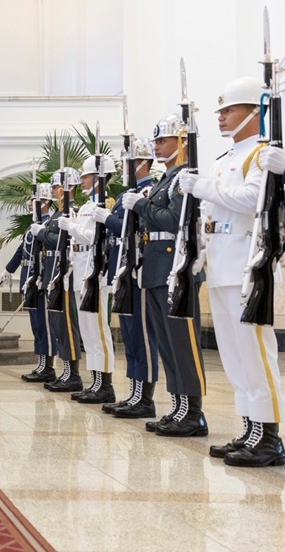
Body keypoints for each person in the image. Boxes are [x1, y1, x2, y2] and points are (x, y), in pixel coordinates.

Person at [179, 76, 283, 466]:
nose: (221, 117)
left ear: (255, 112)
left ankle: (269, 436)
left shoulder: (262, 154)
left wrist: (201, 187)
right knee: (234, 355)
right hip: (221, 264)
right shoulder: (224, 160)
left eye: (229, 109)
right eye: (220, 111)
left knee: (256, 352)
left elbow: (250, 200)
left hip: (247, 264)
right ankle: (249, 428)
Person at [123, 115, 206, 433]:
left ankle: (193, 413)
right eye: (155, 141)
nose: (156, 146)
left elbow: (174, 220)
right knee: (168, 344)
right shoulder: (166, 179)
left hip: (175, 268)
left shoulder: (184, 178)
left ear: (182, 142)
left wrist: (141, 206)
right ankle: (178, 407)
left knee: (183, 343)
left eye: (162, 140)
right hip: (157, 267)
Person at [96, 139, 160, 418]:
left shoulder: (147, 191)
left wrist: (106, 219)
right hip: (121, 270)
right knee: (130, 337)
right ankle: (134, 393)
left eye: (126, 162)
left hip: (137, 269)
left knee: (142, 335)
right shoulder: (126, 194)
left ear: (141, 163)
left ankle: (145, 398)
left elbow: (131, 228)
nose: (122, 167)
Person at [59, 154, 117, 404]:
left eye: (86, 176)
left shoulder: (103, 205)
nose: (82, 180)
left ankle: (106, 384)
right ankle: (95, 381)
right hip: (80, 270)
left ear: (98, 177)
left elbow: (95, 238)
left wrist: (71, 227)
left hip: (95, 272)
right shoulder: (85, 207)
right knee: (87, 331)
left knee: (98, 330)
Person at [34, 170, 84, 393]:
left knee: (67, 326)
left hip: (64, 272)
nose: (53, 190)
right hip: (52, 272)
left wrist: (42, 234)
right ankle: (65, 371)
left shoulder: (72, 212)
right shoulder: (57, 213)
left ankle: (73, 374)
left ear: (69, 187)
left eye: (56, 187)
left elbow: (65, 241)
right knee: (57, 326)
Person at [1, 184, 53, 383]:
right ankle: (41, 363)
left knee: (43, 324)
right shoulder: (32, 227)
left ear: (45, 202)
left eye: (33, 200)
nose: (30, 204)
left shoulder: (48, 225)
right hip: (27, 279)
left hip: (39, 280)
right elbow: (21, 251)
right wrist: (8, 270)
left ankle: (47, 366)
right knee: (35, 325)